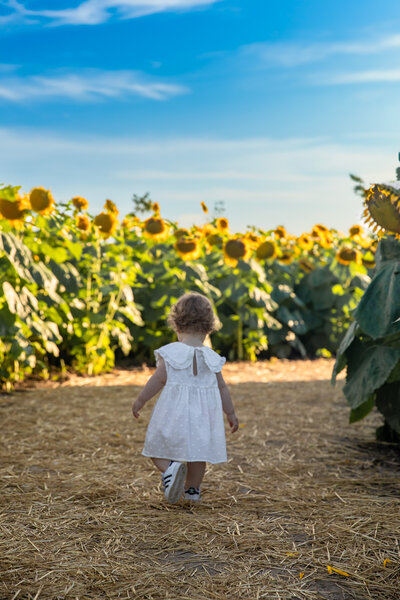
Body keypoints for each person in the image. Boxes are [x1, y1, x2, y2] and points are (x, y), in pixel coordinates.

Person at [132, 292, 239, 504]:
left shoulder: (172, 354)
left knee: (156, 446)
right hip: (203, 417)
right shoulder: (212, 358)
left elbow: (158, 380)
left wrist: (141, 400)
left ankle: (170, 469)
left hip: (174, 413)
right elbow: (222, 387)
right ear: (209, 329)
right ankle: (192, 491)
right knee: (198, 454)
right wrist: (231, 413)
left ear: (177, 327)